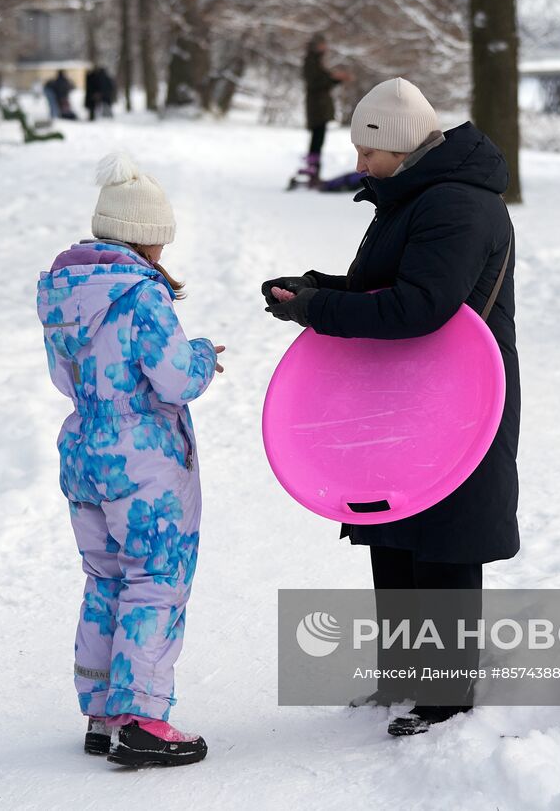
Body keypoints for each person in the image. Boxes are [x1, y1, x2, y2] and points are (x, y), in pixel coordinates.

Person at [262, 78, 520, 737]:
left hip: (457, 400)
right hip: (409, 395)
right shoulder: (414, 200)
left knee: (443, 542)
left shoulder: (457, 207)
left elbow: (420, 308)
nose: (359, 163)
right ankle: (405, 675)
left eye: (368, 150)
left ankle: (445, 696)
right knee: (397, 528)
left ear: (401, 147)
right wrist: (314, 291)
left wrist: (321, 310)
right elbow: (388, 286)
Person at [38, 151, 225, 767]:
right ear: (148, 240)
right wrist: (200, 355)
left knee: (106, 578)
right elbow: (171, 378)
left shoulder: (63, 291)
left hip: (85, 453)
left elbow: (65, 379)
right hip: (142, 461)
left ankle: (101, 711)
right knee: (155, 581)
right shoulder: (142, 296)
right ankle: (142, 717)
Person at [293, 33, 350, 189]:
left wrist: (333, 78)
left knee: (318, 139)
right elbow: (315, 83)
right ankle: (312, 172)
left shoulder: (316, 61)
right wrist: (334, 78)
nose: (325, 47)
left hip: (320, 107)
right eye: (322, 44)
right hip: (317, 108)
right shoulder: (311, 61)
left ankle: (314, 172)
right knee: (317, 139)